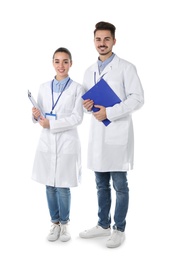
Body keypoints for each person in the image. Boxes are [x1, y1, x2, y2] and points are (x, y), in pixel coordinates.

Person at [79, 21, 144, 248]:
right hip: (98, 135)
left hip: (118, 133)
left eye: (107, 39)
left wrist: (111, 111)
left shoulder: (126, 67)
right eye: (98, 39)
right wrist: (88, 107)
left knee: (120, 184)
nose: (102, 43)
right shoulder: (88, 71)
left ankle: (119, 228)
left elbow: (137, 98)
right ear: (94, 41)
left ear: (114, 41)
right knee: (100, 183)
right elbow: (87, 106)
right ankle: (102, 224)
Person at [31, 47, 84, 243]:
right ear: (52, 63)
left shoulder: (78, 88)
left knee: (62, 186)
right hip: (47, 142)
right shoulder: (44, 87)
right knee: (49, 185)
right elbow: (41, 113)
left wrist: (51, 124)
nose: (61, 65)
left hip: (67, 142)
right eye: (57, 61)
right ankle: (54, 223)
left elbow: (77, 117)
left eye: (65, 61)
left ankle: (65, 224)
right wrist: (36, 116)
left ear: (71, 63)